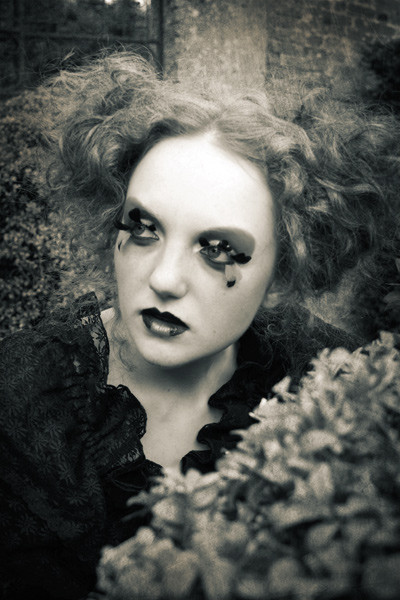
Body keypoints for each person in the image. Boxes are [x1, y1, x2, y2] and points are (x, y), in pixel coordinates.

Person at [0, 51, 399, 600]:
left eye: (217, 249)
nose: (164, 278)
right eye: (143, 228)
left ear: (281, 275)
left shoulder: (339, 387)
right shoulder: (19, 396)